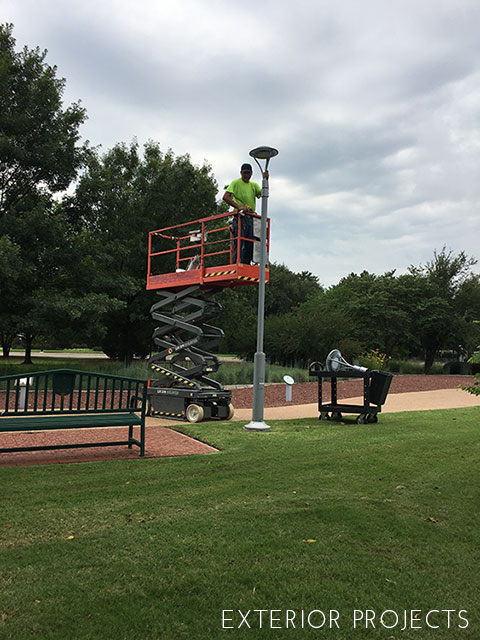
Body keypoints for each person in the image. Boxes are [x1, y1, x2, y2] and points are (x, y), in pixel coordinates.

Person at [223, 163, 268, 265]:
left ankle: (246, 265)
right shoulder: (235, 183)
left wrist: (265, 180)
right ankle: (236, 265)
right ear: (241, 173)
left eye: (248, 173)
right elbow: (225, 197)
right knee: (238, 243)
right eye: (244, 173)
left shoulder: (253, 185)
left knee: (250, 243)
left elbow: (263, 193)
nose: (246, 175)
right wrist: (239, 207)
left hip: (250, 218)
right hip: (240, 218)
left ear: (251, 173)